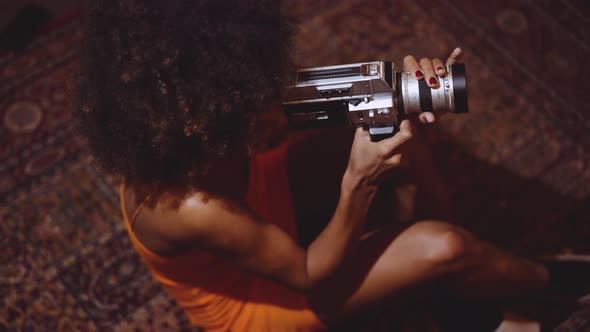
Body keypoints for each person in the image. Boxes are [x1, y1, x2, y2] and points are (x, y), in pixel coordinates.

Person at [76, 1, 590, 331]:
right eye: (254, 109)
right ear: (204, 126)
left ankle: (447, 281)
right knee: (443, 247)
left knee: (399, 137)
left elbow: (364, 94)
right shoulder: (191, 206)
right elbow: (308, 276)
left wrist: (415, 84)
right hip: (267, 299)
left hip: (267, 211)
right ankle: (551, 278)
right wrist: (358, 182)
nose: (273, 107)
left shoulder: (219, 95)